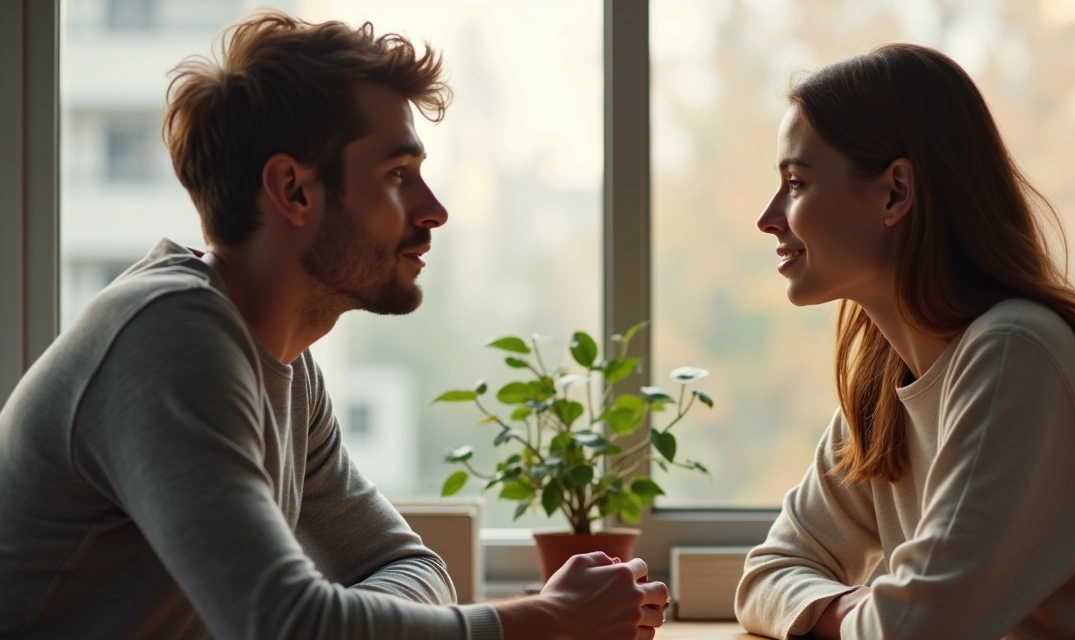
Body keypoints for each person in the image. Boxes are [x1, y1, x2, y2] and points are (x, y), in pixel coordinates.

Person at [0, 11, 667, 640]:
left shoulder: (283, 362)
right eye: (398, 174)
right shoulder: (168, 337)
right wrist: (545, 621)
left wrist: (351, 622)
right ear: (292, 190)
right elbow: (288, 626)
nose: (433, 209)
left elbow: (415, 569)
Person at [735, 43, 1075, 640]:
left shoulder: (1018, 352)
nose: (769, 216)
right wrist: (853, 611)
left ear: (895, 193)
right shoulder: (885, 388)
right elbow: (767, 575)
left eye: (796, 182)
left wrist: (849, 611)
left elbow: (915, 628)